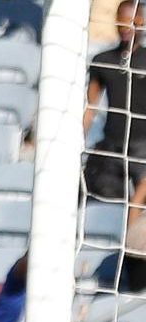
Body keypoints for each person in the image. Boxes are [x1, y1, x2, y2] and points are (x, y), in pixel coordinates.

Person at [86, 0, 146, 200]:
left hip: (142, 147)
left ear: (141, 21)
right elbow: (90, 106)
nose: (125, 27)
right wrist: (79, 138)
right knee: (104, 205)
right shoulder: (103, 60)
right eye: (121, 21)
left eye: (131, 21)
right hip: (112, 144)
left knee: (139, 208)